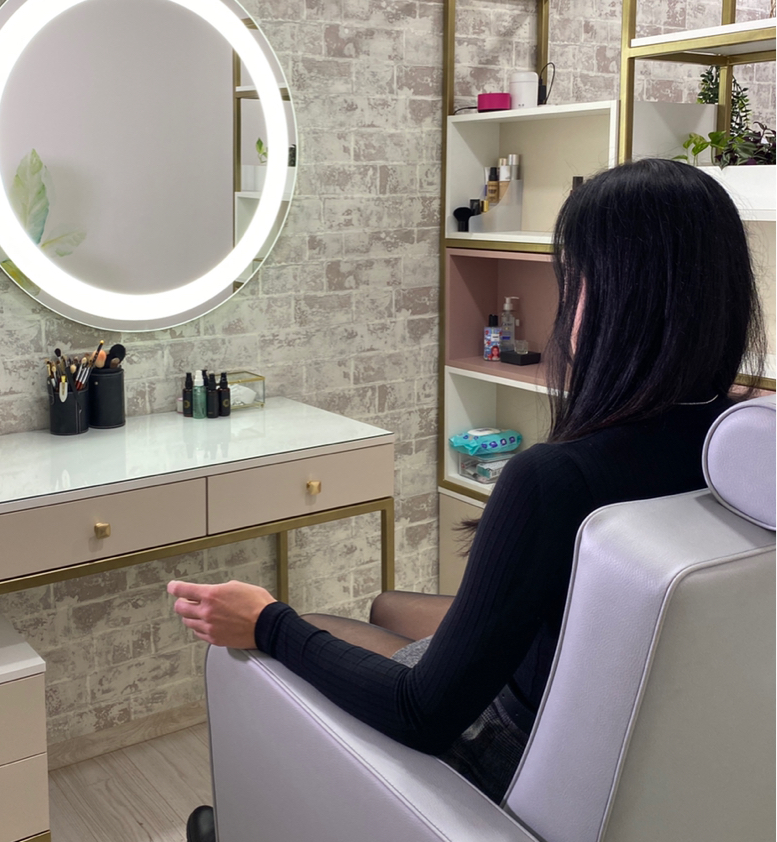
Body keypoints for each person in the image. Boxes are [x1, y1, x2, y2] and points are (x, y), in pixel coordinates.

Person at [168, 158, 765, 839]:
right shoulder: (738, 451)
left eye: (574, 279)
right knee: (385, 607)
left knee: (286, 635)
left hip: (514, 750)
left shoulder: (556, 480)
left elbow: (421, 713)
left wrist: (268, 621)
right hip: (645, 745)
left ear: (614, 300)